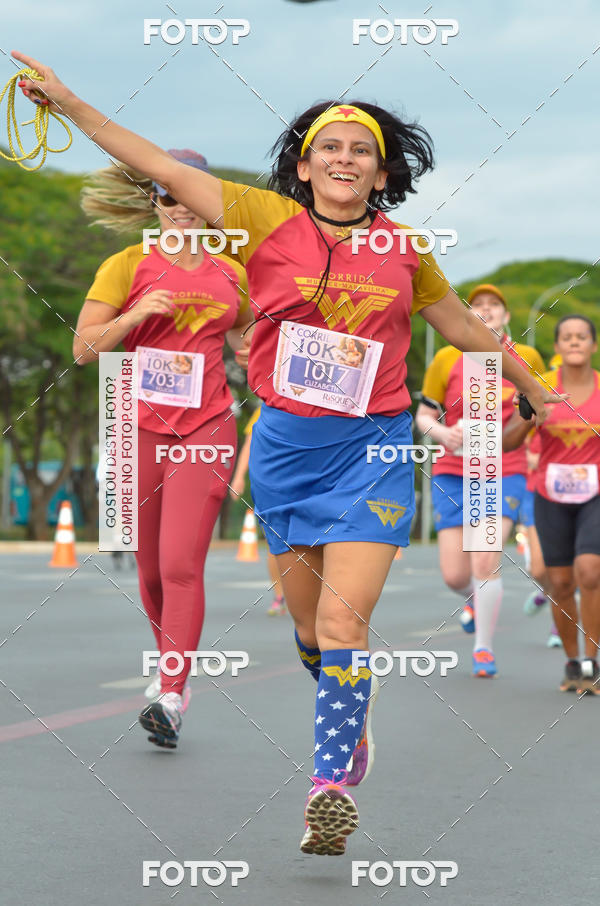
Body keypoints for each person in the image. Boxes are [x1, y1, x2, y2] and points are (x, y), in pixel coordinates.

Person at [15, 52, 558, 855]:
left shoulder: (407, 250)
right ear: (304, 167)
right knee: (309, 633)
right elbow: (154, 162)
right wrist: (68, 103)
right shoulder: (261, 219)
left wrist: (534, 390)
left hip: (371, 450)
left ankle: (328, 786)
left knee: (344, 622)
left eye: (360, 151)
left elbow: (467, 332)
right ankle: (350, 717)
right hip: (283, 453)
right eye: (328, 148)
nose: (344, 160)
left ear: (380, 173)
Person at [73, 149, 252, 748]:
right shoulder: (127, 265)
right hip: (133, 425)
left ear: (209, 202)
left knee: (180, 563)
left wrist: (257, 351)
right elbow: (83, 349)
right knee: (148, 569)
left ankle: (172, 694)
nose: (179, 207)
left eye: (190, 195)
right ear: (154, 200)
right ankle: (170, 668)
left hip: (205, 427)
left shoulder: (232, 271)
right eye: (167, 195)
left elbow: (250, 336)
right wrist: (132, 318)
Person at [415, 285, 545, 676]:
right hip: (453, 473)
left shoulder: (527, 357)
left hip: (504, 470)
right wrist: (442, 434)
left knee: (485, 560)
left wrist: (531, 437)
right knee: (456, 574)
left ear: (506, 317)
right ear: (469, 315)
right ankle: (474, 598)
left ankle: (483, 649)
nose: (487, 310)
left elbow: (541, 407)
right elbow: (423, 415)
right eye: (479, 306)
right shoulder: (446, 357)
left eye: (495, 306)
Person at [504, 315, 600, 694]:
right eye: (567, 337)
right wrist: (530, 414)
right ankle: (573, 662)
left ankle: (593, 660)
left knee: (590, 572)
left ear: (592, 345)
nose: (574, 342)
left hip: (596, 494)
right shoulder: (540, 386)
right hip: (549, 493)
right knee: (560, 582)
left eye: (582, 336)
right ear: (557, 347)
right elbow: (509, 442)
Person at [229, 405, 288, 616]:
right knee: (275, 542)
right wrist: (237, 477)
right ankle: (280, 596)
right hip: (272, 484)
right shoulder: (266, 407)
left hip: (307, 482)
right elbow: (249, 443)